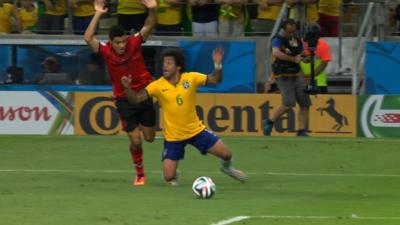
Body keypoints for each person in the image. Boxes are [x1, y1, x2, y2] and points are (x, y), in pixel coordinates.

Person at [121, 48, 248, 186]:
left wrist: (217, 65)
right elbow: (136, 99)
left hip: (196, 131)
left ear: (178, 66)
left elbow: (215, 79)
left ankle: (227, 168)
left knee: (226, 154)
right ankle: (173, 171)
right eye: (164, 63)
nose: (165, 66)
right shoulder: (157, 86)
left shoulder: (191, 78)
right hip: (173, 137)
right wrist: (128, 88)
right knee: (169, 177)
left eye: (169, 63)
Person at [84, 0, 157, 186]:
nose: (122, 46)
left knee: (149, 138)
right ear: (111, 42)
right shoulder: (106, 51)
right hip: (124, 99)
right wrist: (98, 13)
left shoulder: (134, 42)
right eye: (118, 43)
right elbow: (88, 37)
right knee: (136, 140)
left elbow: (149, 26)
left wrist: (153, 10)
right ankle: (140, 174)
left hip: (145, 93)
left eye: (124, 41)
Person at [263, 19, 311, 136]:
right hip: (282, 75)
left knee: (304, 103)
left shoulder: (297, 40)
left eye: (293, 31)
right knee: (288, 103)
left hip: (297, 74)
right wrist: (293, 59)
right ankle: (269, 121)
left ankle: (301, 130)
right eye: (289, 31)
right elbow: (276, 53)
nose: (291, 34)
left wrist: (305, 58)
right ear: (283, 29)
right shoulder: (277, 39)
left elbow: (301, 54)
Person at [300, 24, 332, 94]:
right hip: (301, 82)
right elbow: (294, 61)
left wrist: (311, 76)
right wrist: (304, 77)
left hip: (319, 82)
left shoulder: (323, 45)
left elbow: (324, 63)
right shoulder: (299, 43)